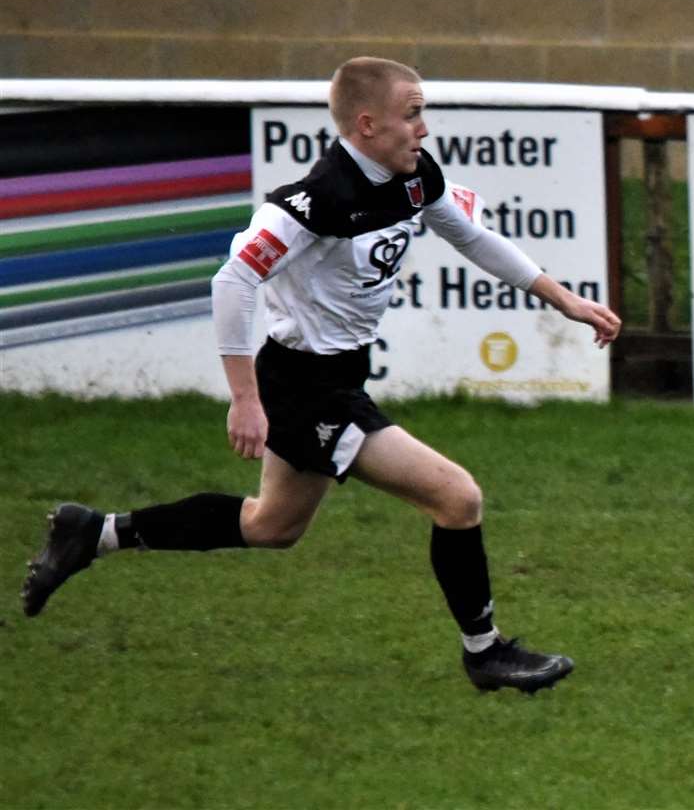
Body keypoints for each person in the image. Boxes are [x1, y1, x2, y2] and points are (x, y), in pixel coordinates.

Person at [20, 57, 621, 695]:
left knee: (271, 525)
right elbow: (232, 280)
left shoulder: (415, 178)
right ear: (367, 124)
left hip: (335, 379)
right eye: (411, 112)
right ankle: (486, 653)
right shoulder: (314, 203)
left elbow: (473, 238)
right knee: (457, 497)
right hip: (305, 387)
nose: (424, 126)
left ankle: (95, 532)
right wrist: (245, 398)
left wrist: (566, 301)